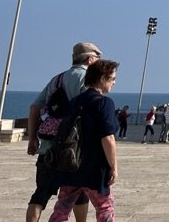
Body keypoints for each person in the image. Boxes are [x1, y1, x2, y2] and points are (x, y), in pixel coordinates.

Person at [26, 41, 103, 222]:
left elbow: (34, 108)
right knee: (79, 192)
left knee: (40, 195)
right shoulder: (90, 81)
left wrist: (32, 139)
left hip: (48, 148)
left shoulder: (57, 79)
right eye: (98, 58)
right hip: (75, 150)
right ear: (90, 59)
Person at [47, 59, 121, 222]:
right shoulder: (104, 103)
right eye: (113, 78)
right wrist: (113, 168)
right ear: (102, 79)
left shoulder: (75, 101)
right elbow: (107, 138)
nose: (114, 82)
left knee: (62, 209)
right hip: (95, 169)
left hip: (71, 164)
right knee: (104, 209)